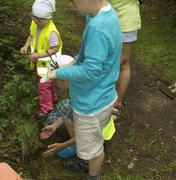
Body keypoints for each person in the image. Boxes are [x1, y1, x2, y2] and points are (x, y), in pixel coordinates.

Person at [45, 0, 122, 179]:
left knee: (94, 150)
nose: (70, 4)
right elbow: (90, 55)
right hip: (102, 95)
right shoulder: (104, 15)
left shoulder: (98, 27)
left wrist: (57, 73)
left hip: (92, 104)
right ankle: (86, 152)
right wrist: (75, 61)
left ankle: (92, 174)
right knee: (91, 140)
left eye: (73, 0)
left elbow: (91, 70)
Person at [20, 0, 63, 119]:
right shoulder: (35, 24)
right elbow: (31, 36)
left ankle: (46, 108)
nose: (36, 21)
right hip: (39, 63)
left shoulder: (52, 32)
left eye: (40, 19)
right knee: (45, 82)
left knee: (43, 85)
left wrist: (37, 55)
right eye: (34, 17)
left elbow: (54, 49)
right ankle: (53, 97)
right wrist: (26, 46)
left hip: (48, 64)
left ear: (48, 18)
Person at [108, 0, 141, 121]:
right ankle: (102, 99)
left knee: (122, 63)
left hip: (126, 19)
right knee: (104, 61)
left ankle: (117, 102)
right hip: (103, 15)